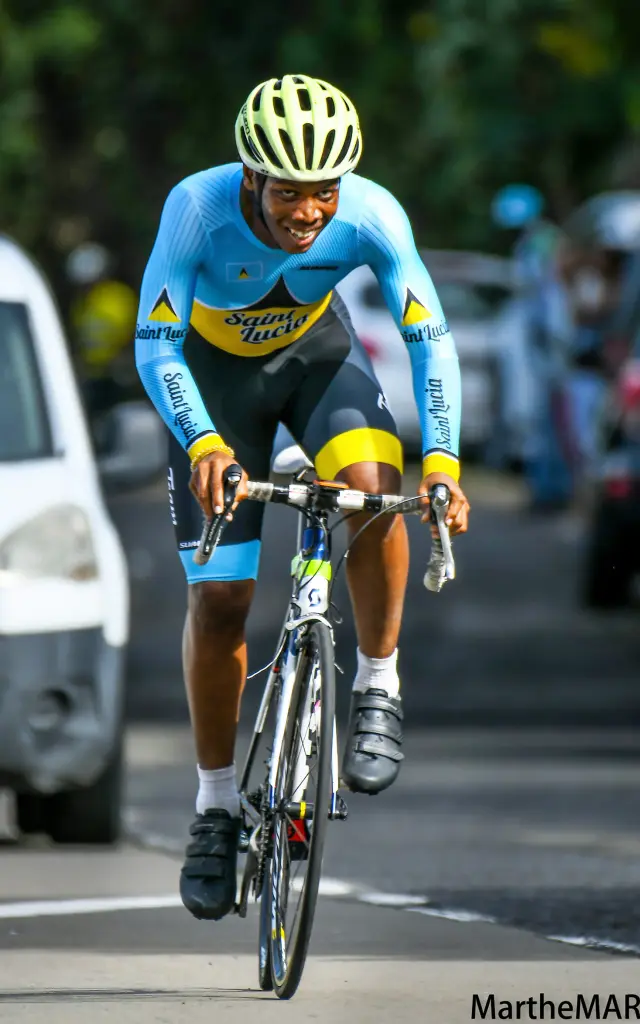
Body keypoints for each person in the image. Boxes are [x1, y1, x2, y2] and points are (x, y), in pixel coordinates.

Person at [135, 74, 470, 922]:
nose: (309, 212)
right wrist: (203, 439)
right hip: (213, 393)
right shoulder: (197, 209)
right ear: (252, 176)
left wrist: (444, 462)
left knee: (372, 489)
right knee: (221, 602)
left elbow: (429, 341)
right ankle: (215, 808)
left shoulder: (373, 213)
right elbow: (155, 346)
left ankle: (380, 682)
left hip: (317, 363)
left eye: (324, 192)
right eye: (290, 193)